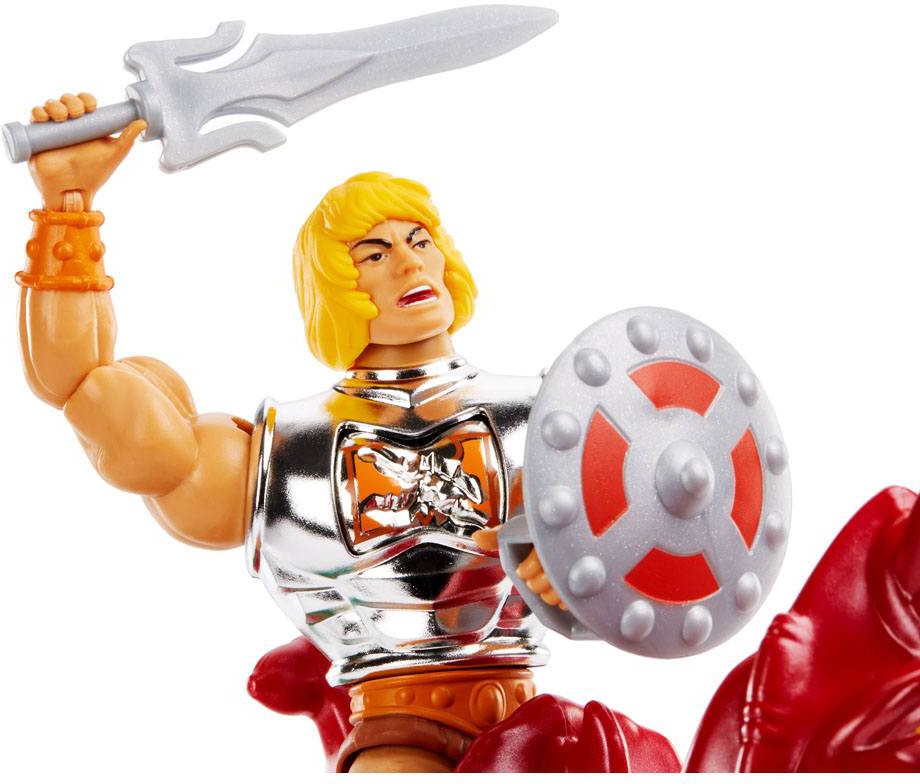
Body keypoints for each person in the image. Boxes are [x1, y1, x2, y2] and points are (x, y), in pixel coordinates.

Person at [18, 92, 631, 773]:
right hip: (398, 734)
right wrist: (68, 205)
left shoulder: (548, 414)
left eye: (419, 241)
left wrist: (587, 571)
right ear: (336, 283)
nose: (409, 264)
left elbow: (667, 530)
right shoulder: (285, 453)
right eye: (374, 254)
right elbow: (82, 383)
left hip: (541, 729)